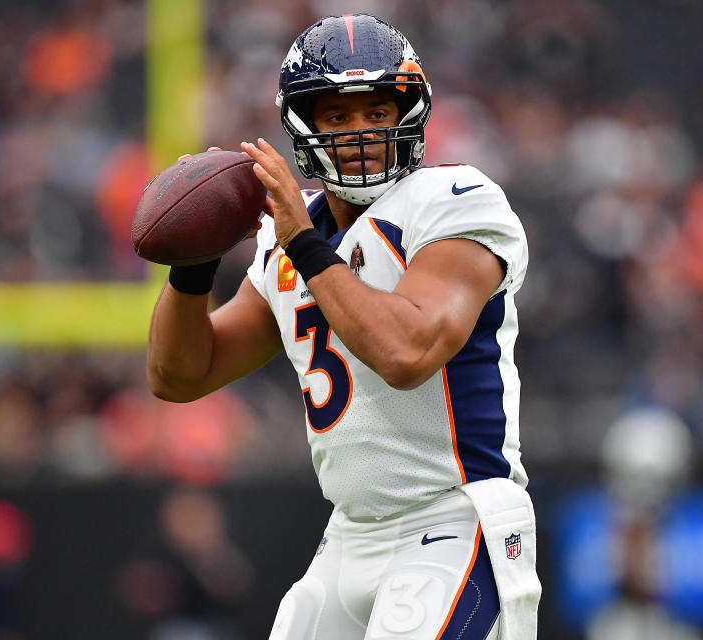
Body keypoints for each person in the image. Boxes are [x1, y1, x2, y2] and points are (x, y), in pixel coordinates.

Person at [146, 14, 540, 639]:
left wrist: (302, 242)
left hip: (454, 519)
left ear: (408, 114)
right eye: (337, 116)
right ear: (304, 127)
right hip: (348, 534)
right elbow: (180, 374)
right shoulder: (288, 236)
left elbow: (406, 351)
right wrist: (191, 269)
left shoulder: (457, 201)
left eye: (377, 112)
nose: (361, 133)